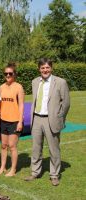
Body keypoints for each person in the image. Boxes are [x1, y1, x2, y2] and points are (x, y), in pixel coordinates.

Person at [24, 58, 70, 186]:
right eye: (42, 68)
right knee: (35, 148)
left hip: (52, 120)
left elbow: (66, 103)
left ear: (51, 68)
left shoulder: (60, 82)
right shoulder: (34, 82)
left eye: (47, 67)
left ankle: (54, 175)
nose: (45, 70)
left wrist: (60, 117)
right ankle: (35, 172)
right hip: (37, 118)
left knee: (53, 149)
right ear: (39, 69)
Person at [0, 63, 24, 177]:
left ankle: (13, 170)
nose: (8, 75)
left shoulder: (19, 87)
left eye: (10, 73)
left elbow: (21, 105)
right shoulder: (1, 87)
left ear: (14, 74)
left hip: (14, 121)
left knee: (12, 146)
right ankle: (2, 167)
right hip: (3, 120)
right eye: (6, 73)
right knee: (3, 145)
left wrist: (20, 121)